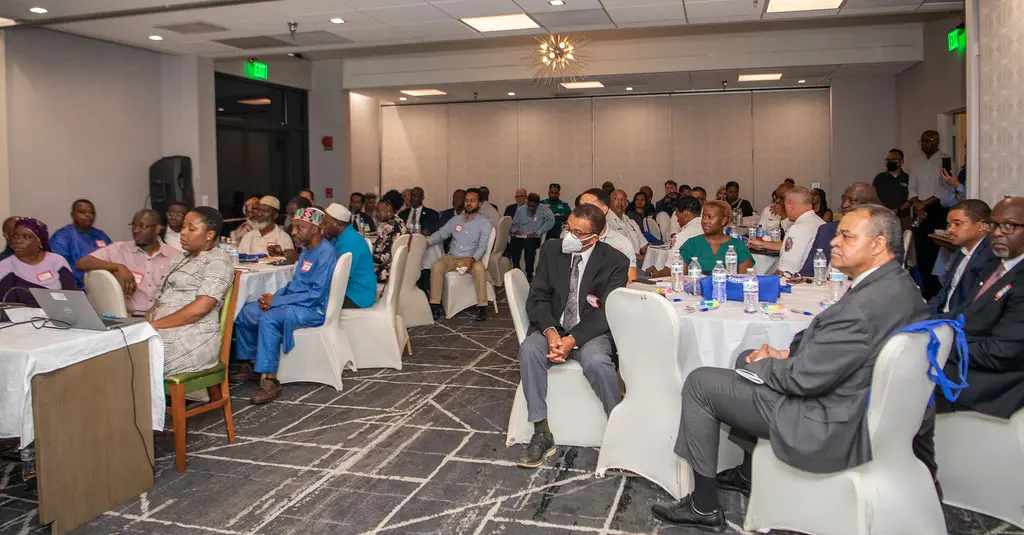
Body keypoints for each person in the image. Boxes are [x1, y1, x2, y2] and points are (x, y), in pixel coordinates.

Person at [652, 204, 926, 530]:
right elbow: (837, 351)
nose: (833, 242)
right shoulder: (900, 287)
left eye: (846, 236)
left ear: (878, 245)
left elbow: (803, 380)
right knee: (746, 358)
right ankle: (749, 472)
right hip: (854, 400)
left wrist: (771, 364)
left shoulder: (862, 308)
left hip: (827, 419)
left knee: (700, 383)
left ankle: (703, 505)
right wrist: (782, 353)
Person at [914, 197, 1024, 482]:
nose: (998, 233)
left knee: (909, 379)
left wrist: (941, 350)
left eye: (1010, 226)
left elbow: (1003, 351)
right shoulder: (997, 268)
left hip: (1001, 378)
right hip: (970, 357)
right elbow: (961, 314)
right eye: (996, 225)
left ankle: (925, 475)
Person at [516, 204, 629, 468]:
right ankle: (541, 432)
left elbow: (608, 312)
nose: (569, 236)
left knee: (598, 363)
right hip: (553, 327)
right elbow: (537, 298)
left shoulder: (615, 262)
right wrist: (552, 331)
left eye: (578, 233)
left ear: (595, 237)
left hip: (590, 331)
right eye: (568, 227)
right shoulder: (551, 251)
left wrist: (572, 340)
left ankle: (620, 429)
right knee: (529, 351)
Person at [231, 207, 339, 404]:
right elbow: (295, 285)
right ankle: (253, 363)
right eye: (294, 227)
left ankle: (271, 380)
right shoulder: (307, 250)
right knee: (244, 311)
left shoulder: (326, 254)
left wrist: (276, 302)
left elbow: (315, 295)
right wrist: (272, 297)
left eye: (300, 227)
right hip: (294, 302)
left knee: (269, 318)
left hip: (312, 309)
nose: (294, 232)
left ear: (315, 229)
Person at [148, 207, 234, 376]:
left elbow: (200, 309)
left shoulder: (218, 260)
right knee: (122, 348)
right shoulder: (179, 259)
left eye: (191, 229)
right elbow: (158, 301)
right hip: (163, 328)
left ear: (209, 235)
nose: (183, 232)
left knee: (135, 360)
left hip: (194, 334)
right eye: (183, 227)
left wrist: (154, 326)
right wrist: (146, 325)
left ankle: (145, 401)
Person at [77, 209, 176, 315]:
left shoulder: (174, 255)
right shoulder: (119, 249)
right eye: (133, 226)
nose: (136, 230)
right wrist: (118, 267)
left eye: (143, 226)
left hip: (166, 318)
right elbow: (82, 263)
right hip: (130, 317)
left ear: (157, 229)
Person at [427, 188, 494, 321]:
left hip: (471, 257)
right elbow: (441, 234)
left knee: (480, 269)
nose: (469, 203)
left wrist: (473, 259)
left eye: (473, 201)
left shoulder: (484, 223)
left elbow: (482, 247)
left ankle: (482, 308)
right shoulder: (456, 220)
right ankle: (435, 305)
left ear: (480, 203)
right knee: (436, 266)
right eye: (467, 200)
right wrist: (426, 242)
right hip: (452, 257)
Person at [799, 182, 881, 277]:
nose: (844, 204)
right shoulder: (827, 230)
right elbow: (807, 271)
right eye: (843, 199)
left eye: (852, 200)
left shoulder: (881, 234)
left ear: (869, 205)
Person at [928, 200, 995, 315]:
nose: (950, 230)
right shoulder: (961, 250)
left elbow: (972, 307)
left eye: (957, 224)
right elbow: (943, 293)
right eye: (949, 224)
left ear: (980, 226)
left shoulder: (990, 257)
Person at [907, 130, 952, 298]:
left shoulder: (945, 160)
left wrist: (925, 204)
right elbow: (911, 187)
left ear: (937, 141)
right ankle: (926, 290)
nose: (925, 144)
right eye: (922, 141)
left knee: (936, 252)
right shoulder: (916, 162)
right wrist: (917, 204)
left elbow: (946, 189)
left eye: (928, 140)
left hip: (937, 210)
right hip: (918, 209)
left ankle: (938, 292)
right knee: (921, 251)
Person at [0, 218, 76, 306]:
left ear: (39, 241)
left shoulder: (56, 261)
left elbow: (73, 297)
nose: (18, 241)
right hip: (23, 317)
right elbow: (7, 306)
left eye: (26, 237)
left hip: (60, 314)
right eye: (16, 236)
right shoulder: (4, 266)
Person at [750, 188, 824, 275]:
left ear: (790, 206)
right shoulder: (820, 222)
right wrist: (762, 243)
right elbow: (793, 245)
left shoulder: (797, 229)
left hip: (797, 282)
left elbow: (785, 272)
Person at [323, 204, 377, 309]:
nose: (323, 226)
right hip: (347, 290)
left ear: (337, 223)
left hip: (357, 295)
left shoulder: (351, 241)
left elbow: (339, 276)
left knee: (312, 304)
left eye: (326, 222)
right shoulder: (338, 237)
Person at [579, 189, 638, 282]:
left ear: (604, 210)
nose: (581, 212)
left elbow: (630, 281)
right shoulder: (571, 239)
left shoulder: (622, 243)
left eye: (588, 207)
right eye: (580, 206)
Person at [50, 199, 113, 289]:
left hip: (103, 284)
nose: (88, 215)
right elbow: (62, 266)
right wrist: (90, 280)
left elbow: (113, 256)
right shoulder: (62, 236)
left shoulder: (100, 235)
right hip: (76, 288)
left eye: (92, 213)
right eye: (82, 212)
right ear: (73, 215)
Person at [681, 200, 754, 275]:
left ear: (723, 220)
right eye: (703, 217)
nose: (705, 221)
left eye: (710, 217)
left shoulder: (738, 246)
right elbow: (682, 279)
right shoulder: (691, 244)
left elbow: (744, 280)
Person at [645, 196, 703, 278]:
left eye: (677, 215)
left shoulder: (681, 237)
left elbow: (673, 269)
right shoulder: (710, 231)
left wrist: (655, 273)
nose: (677, 219)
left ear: (686, 214)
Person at [509, 193, 555, 281]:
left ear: (538, 204)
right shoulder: (521, 209)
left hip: (534, 237)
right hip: (521, 235)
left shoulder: (544, 209)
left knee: (529, 246)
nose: (530, 208)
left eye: (533, 206)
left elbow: (551, 221)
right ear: (527, 202)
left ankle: (529, 272)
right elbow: (514, 223)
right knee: (514, 243)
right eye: (529, 205)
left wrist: (538, 232)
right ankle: (516, 269)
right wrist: (515, 230)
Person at [372, 190, 409, 283]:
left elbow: (384, 257)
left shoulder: (391, 227)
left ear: (388, 206)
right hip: (399, 269)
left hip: (387, 272)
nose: (376, 215)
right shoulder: (400, 222)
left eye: (378, 210)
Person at [610, 189, 648, 256]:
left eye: (623, 199)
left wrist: (654, 254)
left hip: (638, 261)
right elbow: (619, 253)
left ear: (626, 204)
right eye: (616, 198)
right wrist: (644, 259)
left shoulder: (632, 222)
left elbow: (644, 246)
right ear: (609, 202)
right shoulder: (606, 223)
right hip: (622, 263)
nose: (620, 202)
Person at [873, 149, 911, 215]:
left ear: (902, 161)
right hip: (883, 216)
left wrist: (898, 210)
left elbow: (912, 198)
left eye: (893, 159)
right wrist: (886, 210)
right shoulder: (879, 177)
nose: (890, 161)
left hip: (903, 217)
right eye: (888, 159)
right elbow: (873, 196)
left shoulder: (908, 178)